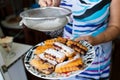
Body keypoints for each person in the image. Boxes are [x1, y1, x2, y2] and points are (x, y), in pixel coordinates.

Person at [39, 0, 120, 80]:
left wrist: (96, 39)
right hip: (63, 56)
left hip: (95, 59)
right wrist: (50, 7)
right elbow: (52, 24)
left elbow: (115, 27)